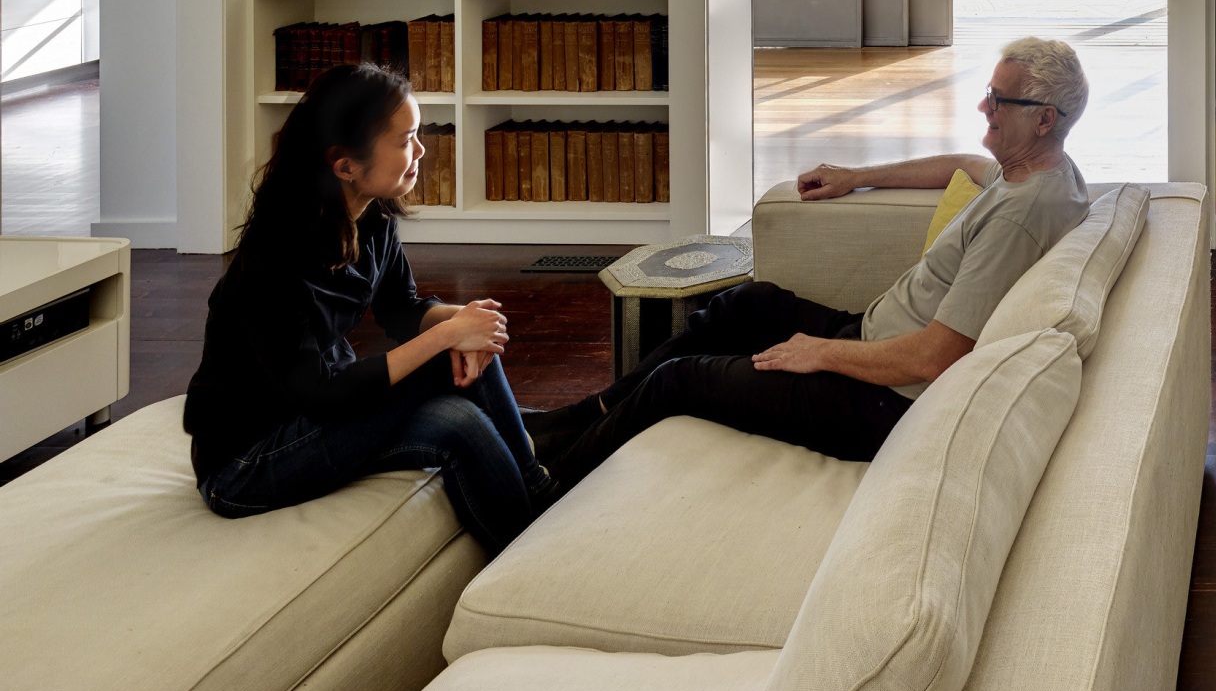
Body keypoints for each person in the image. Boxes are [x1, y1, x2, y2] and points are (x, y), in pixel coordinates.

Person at [531, 35, 1090, 485]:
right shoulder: (1035, 171)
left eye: (999, 100)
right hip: (870, 341)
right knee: (747, 304)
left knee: (679, 381)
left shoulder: (1021, 219)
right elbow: (967, 164)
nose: (982, 106)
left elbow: (934, 358)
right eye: (987, 92)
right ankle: (575, 421)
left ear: (1044, 118)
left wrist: (822, 352)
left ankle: (539, 492)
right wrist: (859, 176)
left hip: (884, 401)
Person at [184, 61, 543, 553]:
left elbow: (400, 310)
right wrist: (447, 335)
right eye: (405, 140)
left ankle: (538, 500)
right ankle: (531, 537)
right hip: (247, 464)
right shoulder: (274, 262)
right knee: (451, 384)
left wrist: (467, 320)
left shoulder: (371, 220)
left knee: (462, 406)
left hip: (315, 419)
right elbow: (321, 394)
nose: (421, 151)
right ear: (345, 164)